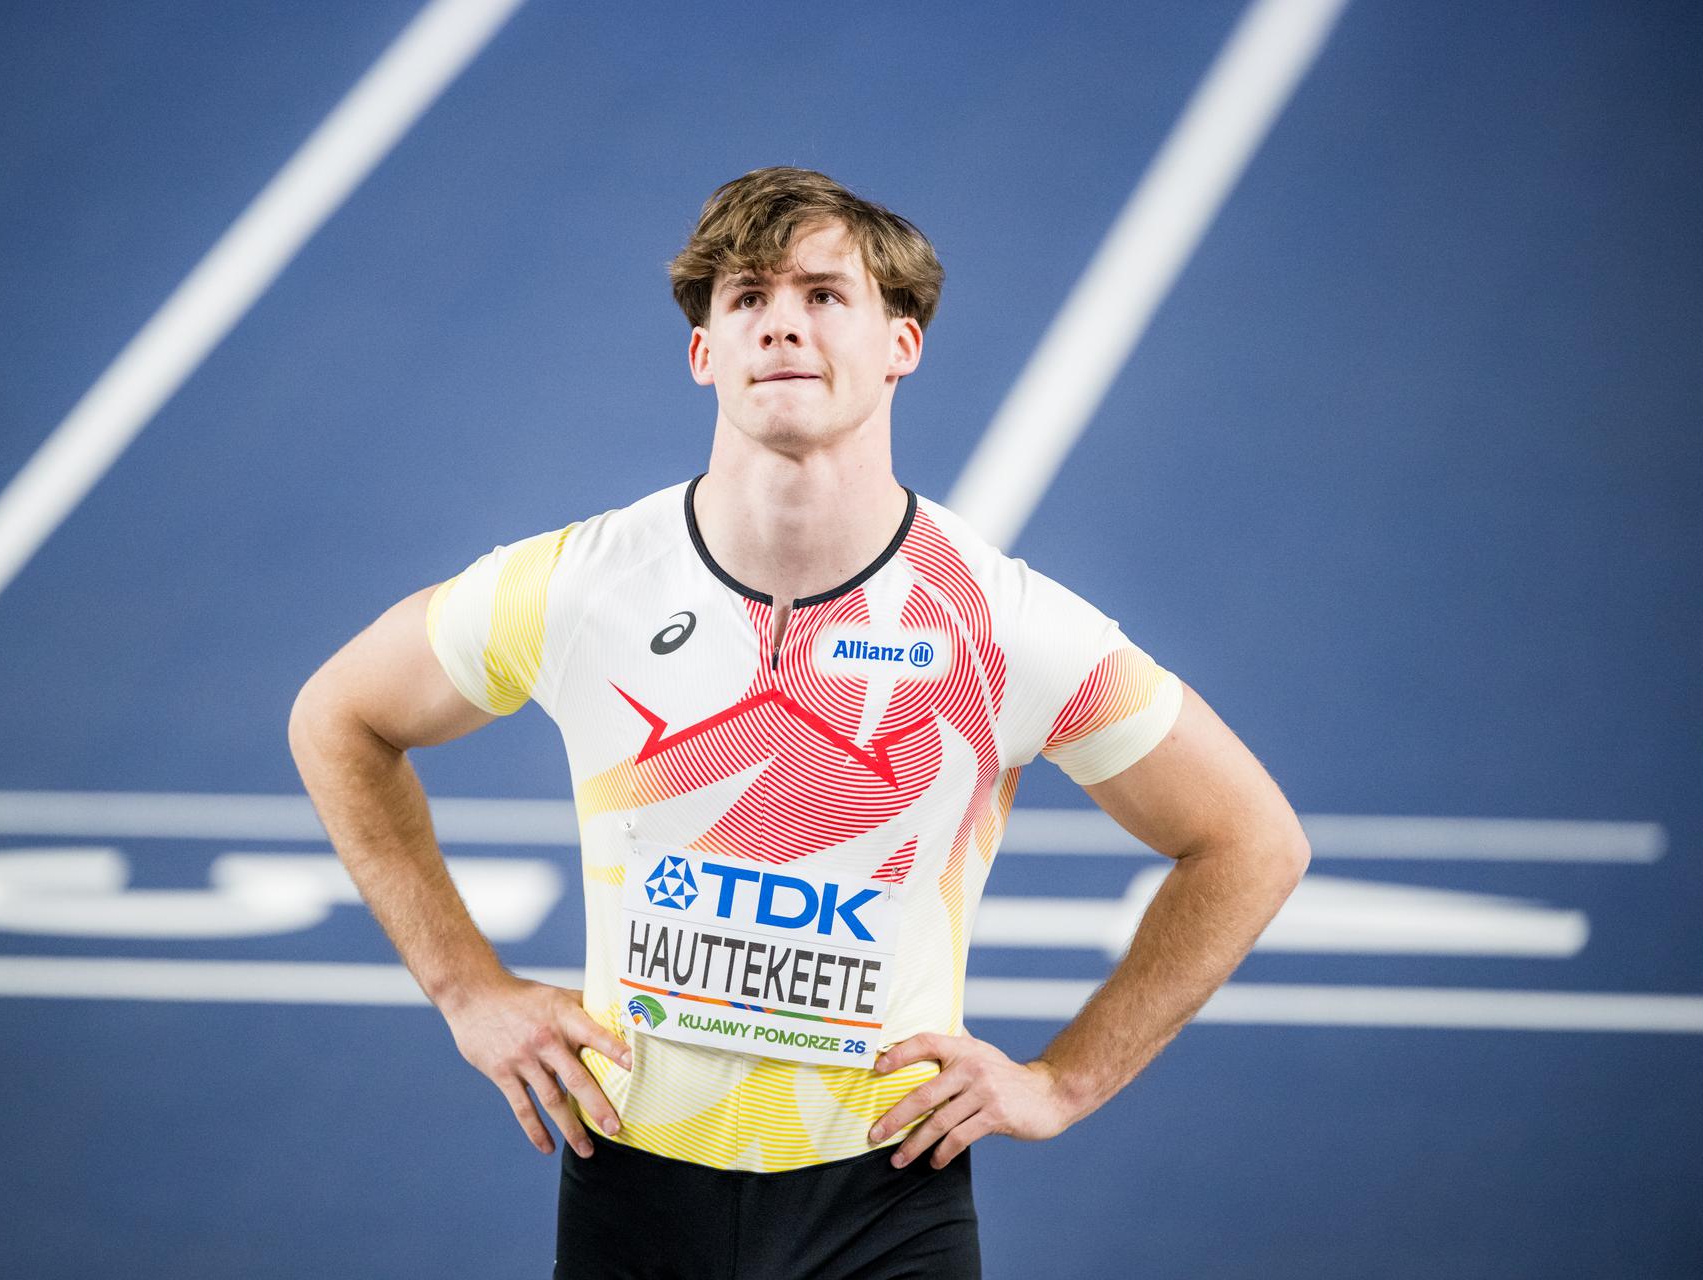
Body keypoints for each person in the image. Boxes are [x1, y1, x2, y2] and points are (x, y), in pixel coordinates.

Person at [287, 167, 1312, 1279]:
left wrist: (1064, 1080)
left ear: (900, 346)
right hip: (630, 1184)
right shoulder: (584, 586)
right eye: (746, 300)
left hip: (884, 1194)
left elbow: (1251, 840)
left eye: (825, 294)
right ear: (705, 354)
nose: (782, 321)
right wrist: (465, 988)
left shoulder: (1000, 625)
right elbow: (338, 715)